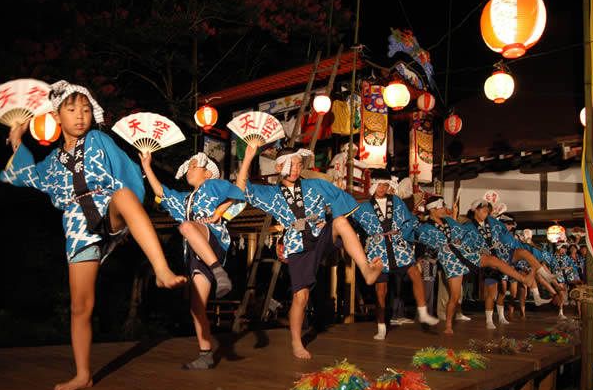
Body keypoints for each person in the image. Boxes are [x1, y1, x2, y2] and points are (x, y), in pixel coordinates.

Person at [0, 81, 185, 390]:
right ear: (56, 117)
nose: (80, 116)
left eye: (85, 109)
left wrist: (129, 219)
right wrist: (18, 141)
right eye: (71, 110)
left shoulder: (98, 139)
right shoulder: (52, 163)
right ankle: (82, 374)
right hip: (78, 228)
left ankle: (162, 269)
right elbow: (26, 174)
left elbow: (126, 173)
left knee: (125, 195)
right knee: (80, 307)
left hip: (109, 207)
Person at [236, 144, 383, 359]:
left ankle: (367, 270)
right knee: (301, 296)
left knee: (341, 221)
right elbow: (242, 190)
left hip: (320, 235)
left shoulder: (315, 185)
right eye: (290, 164)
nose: (295, 169)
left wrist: (329, 219)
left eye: (298, 164)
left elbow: (343, 201)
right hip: (297, 244)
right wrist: (248, 158)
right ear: (278, 167)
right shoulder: (270, 193)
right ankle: (297, 342)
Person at [140, 151, 245, 369]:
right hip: (195, 253)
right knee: (197, 307)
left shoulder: (213, 186)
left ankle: (218, 270)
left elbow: (240, 190)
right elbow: (160, 191)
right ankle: (206, 355)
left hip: (212, 237)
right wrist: (147, 166)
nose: (189, 168)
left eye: (194, 165)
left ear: (208, 173)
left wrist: (220, 210)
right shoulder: (184, 200)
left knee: (186, 226)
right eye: (188, 165)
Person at [413, 196, 534, 334]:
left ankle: (523, 279)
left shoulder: (450, 221)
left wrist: (486, 227)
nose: (444, 210)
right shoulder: (425, 228)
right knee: (454, 295)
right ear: (432, 210)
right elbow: (426, 242)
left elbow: (466, 233)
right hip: (451, 261)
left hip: (465, 253)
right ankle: (448, 326)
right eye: (441, 208)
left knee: (494, 260)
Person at [350, 170, 439, 340]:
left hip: (398, 245)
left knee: (415, 273)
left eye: (385, 185)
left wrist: (405, 235)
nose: (382, 188)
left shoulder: (397, 201)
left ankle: (423, 312)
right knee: (380, 290)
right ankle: (381, 325)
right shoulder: (363, 207)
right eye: (379, 184)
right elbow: (353, 223)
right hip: (378, 248)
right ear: (373, 185)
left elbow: (408, 221)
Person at [462, 200, 555, 329]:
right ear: (475, 211)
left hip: (502, 254)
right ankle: (489, 320)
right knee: (492, 293)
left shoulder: (492, 221)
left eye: (487, 212)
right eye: (484, 211)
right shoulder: (467, 227)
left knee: (522, 253)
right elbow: (464, 244)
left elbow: (504, 230)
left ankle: (546, 276)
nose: (486, 214)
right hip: (488, 260)